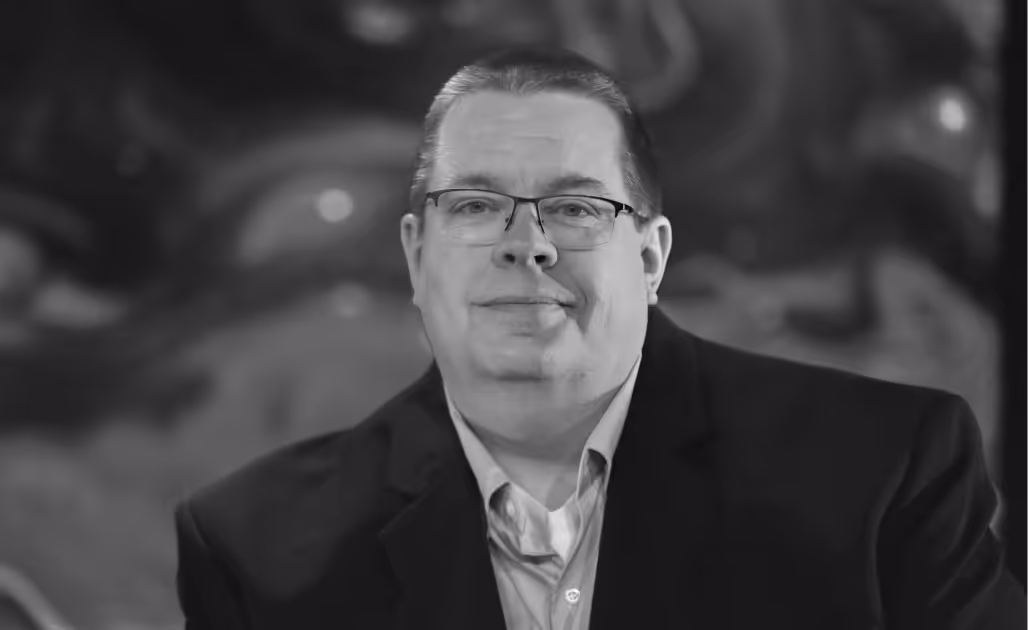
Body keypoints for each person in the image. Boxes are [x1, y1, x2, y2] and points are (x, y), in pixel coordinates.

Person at [174, 47, 1025, 629]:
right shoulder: (258, 547)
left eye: (576, 207)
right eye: (474, 205)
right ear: (415, 255)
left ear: (650, 257)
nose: (526, 244)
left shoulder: (884, 472)